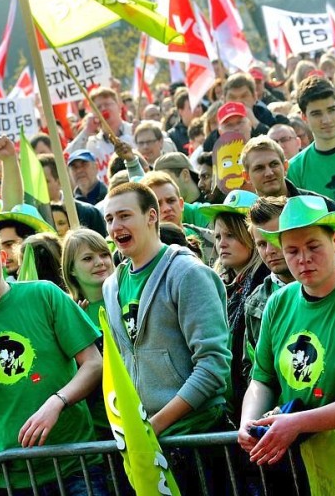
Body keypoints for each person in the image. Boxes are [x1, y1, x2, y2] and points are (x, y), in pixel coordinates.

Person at [0, 206, 105, 495]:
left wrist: (57, 402)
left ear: (3, 259)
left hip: (76, 462)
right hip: (13, 475)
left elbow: (93, 363)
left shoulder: (44, 294)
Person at [102, 183, 230, 484]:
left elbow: (213, 367)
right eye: (109, 219)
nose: (115, 226)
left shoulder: (188, 273)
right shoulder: (111, 286)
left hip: (197, 441)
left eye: (124, 216)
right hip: (148, 446)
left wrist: (153, 426)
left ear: (151, 216)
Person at [238, 196, 335, 493]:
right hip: (301, 468)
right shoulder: (278, 302)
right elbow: (262, 378)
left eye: (313, 247)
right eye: (292, 251)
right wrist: (248, 422)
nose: (303, 259)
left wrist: (299, 422)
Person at [202, 190, 267, 417]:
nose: (222, 244)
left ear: (250, 235)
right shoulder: (219, 285)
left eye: (230, 235)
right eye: (218, 237)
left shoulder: (266, 283)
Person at [244, 196, 294, 371]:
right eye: (262, 244)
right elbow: (251, 366)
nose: (270, 251)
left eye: (276, 240)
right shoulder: (254, 302)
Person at [241, 136, 335, 210]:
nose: (269, 173)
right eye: (259, 168)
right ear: (247, 177)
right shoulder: (243, 219)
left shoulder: (319, 206)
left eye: (274, 164)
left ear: (285, 167)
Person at [286, 75, 335, 202]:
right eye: (317, 114)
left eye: (331, 110)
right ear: (304, 117)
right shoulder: (295, 169)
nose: (326, 120)